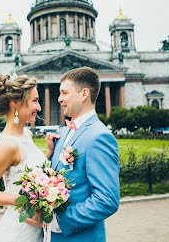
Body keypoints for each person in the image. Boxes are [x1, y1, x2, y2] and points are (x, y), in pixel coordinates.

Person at [43, 66, 120, 242]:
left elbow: (107, 200)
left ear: (84, 94)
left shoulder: (99, 137)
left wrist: (60, 220)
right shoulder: (62, 133)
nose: (59, 99)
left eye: (64, 93)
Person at [0, 74, 55, 242]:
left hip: (35, 229)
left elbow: (27, 170)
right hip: (18, 233)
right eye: (34, 101)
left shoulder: (25, 133)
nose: (39, 107)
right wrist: (27, 201)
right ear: (15, 103)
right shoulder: (7, 144)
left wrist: (49, 153)